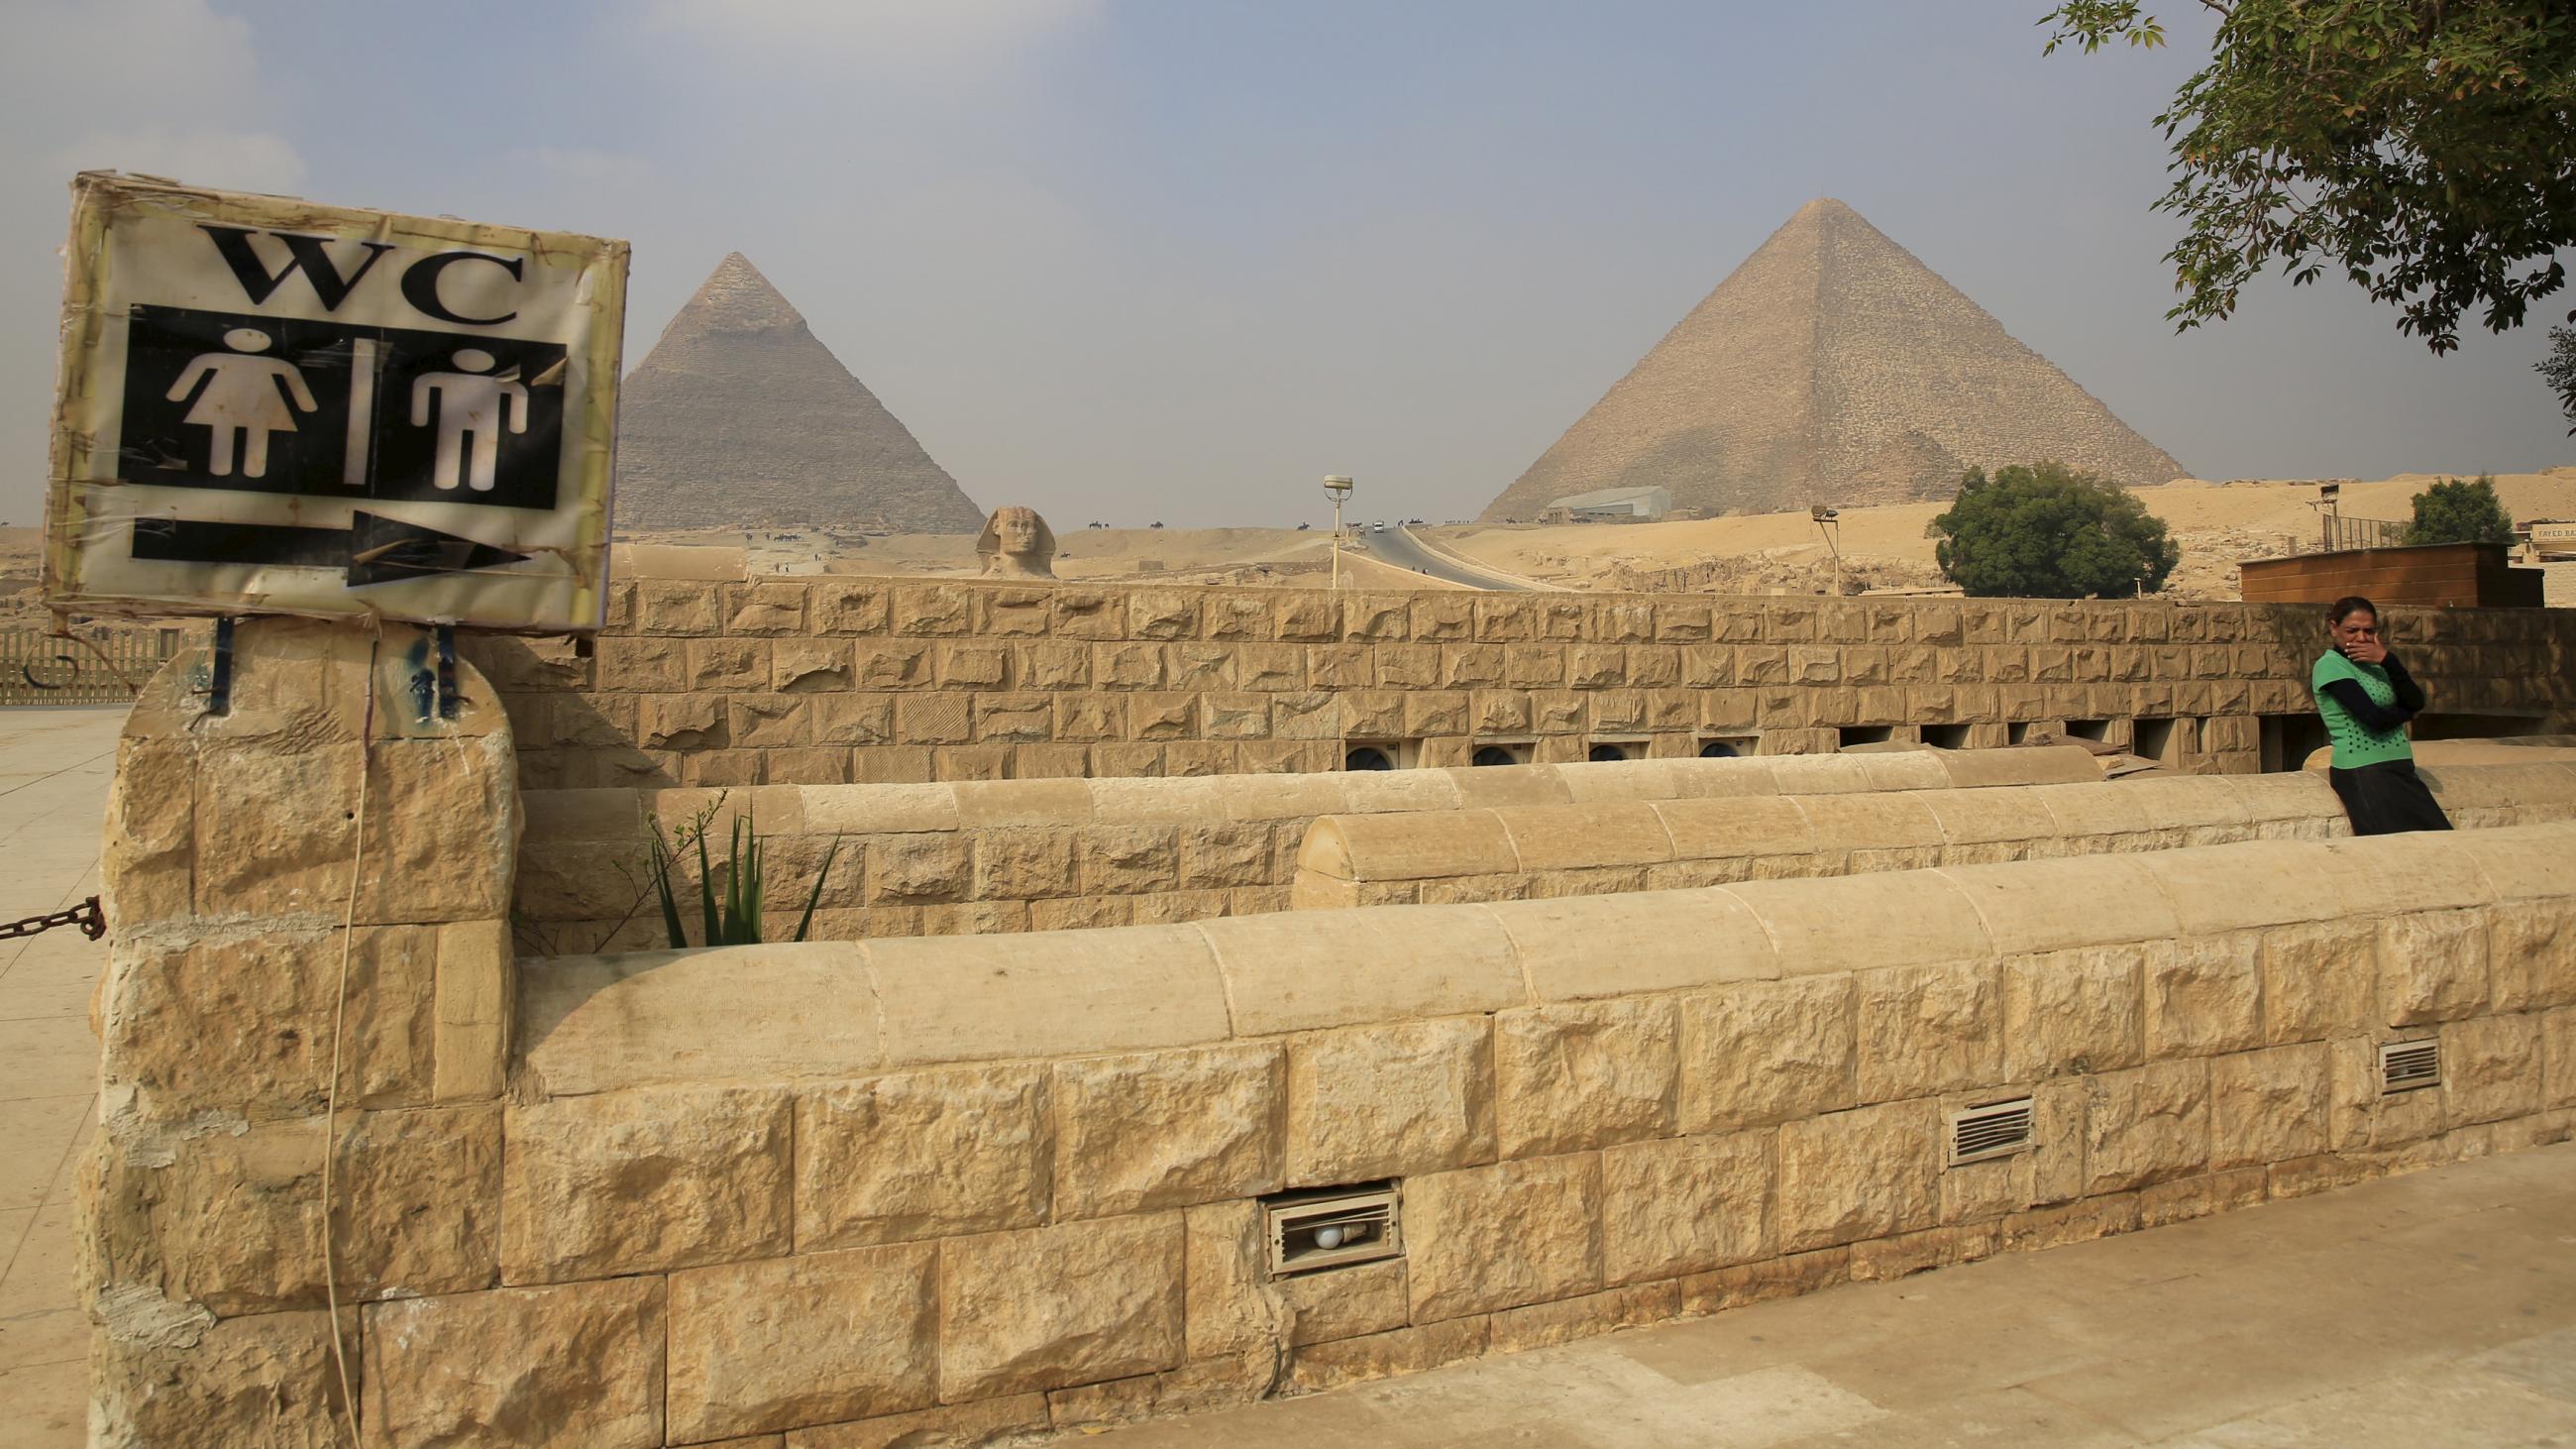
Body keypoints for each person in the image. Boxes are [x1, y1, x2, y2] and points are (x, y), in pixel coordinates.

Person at [2311, 596, 2450, 835]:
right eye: (2352, 630)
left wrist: (2388, 660)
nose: (2361, 638)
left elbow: (2416, 700)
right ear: (2334, 628)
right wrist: (2407, 713)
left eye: (2369, 630)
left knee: (2438, 840)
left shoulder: (2377, 665)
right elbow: (2373, 718)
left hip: (2399, 765)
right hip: (2364, 770)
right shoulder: (2330, 665)